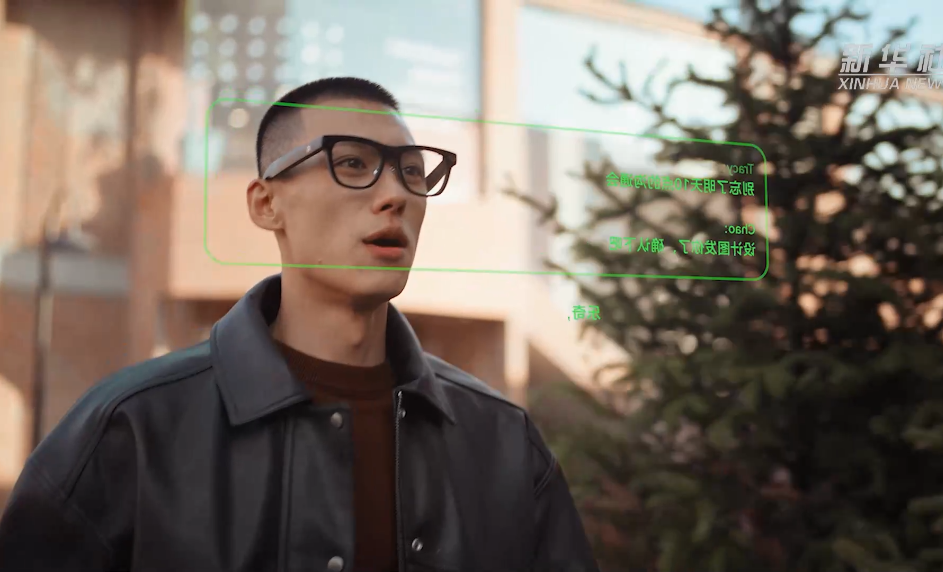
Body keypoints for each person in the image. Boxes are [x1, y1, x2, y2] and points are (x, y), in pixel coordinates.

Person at [0, 77, 598, 572]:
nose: (394, 194)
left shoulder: (502, 442)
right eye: (353, 163)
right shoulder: (132, 428)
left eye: (413, 173)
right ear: (267, 204)